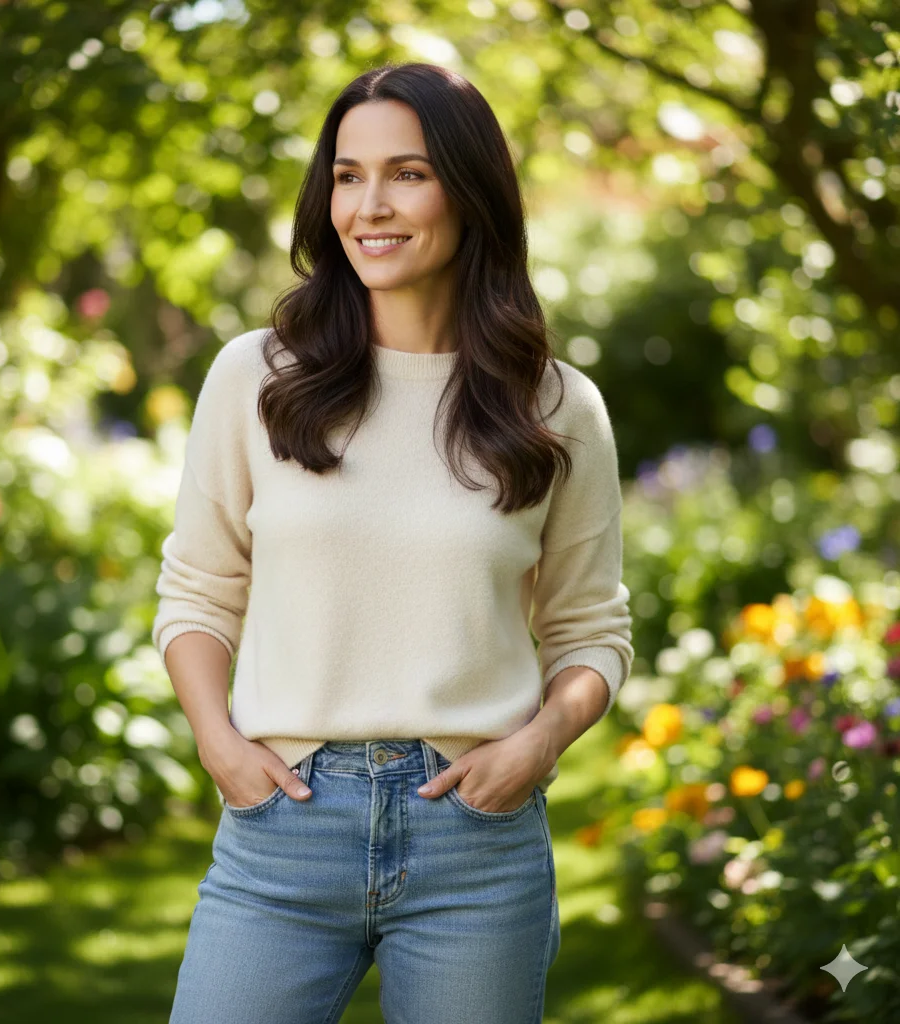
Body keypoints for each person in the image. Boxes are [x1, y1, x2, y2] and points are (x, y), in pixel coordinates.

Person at [152, 61, 633, 1024]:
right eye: (347, 174)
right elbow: (198, 593)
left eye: (408, 173)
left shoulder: (556, 407)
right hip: (281, 830)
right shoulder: (256, 377)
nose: (370, 204)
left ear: (470, 191)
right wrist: (220, 747)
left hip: (475, 840)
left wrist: (536, 747)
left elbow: (591, 631)